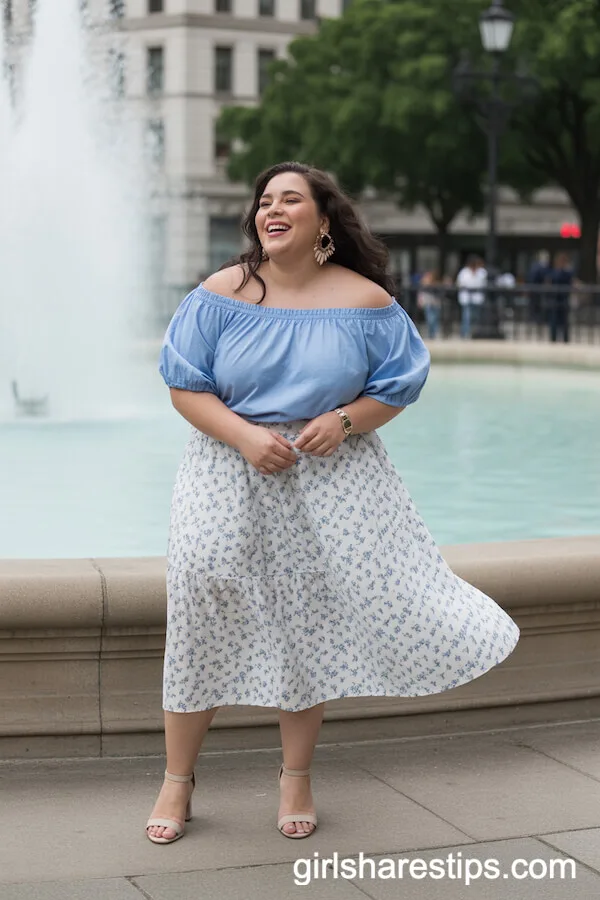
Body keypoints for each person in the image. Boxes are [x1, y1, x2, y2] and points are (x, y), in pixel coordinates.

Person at [148, 161, 520, 844]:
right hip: (227, 462)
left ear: (324, 220)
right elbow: (184, 384)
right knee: (201, 589)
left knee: (306, 613)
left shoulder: (365, 301)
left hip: (329, 473)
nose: (273, 209)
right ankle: (178, 778)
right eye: (265, 201)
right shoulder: (221, 292)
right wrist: (245, 437)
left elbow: (399, 383)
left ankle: (296, 776)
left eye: (291, 199)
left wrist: (345, 421)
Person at [456, 255, 487, 339]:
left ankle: (475, 334)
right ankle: (465, 334)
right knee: (466, 316)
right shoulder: (464, 272)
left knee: (476, 317)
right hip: (466, 298)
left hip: (477, 298)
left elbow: (483, 284)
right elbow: (460, 283)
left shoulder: (482, 272)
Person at [548, 252, 573, 342]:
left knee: (564, 322)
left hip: (564, 299)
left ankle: (565, 339)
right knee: (554, 321)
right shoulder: (554, 272)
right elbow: (552, 281)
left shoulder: (567, 273)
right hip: (555, 299)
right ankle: (553, 338)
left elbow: (569, 281)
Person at [417, 269, 442, 339]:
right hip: (428, 303)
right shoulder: (423, 284)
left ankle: (434, 334)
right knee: (430, 319)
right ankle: (431, 334)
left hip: (435, 303)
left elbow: (439, 294)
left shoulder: (436, 284)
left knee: (435, 319)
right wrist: (420, 301)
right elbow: (421, 293)